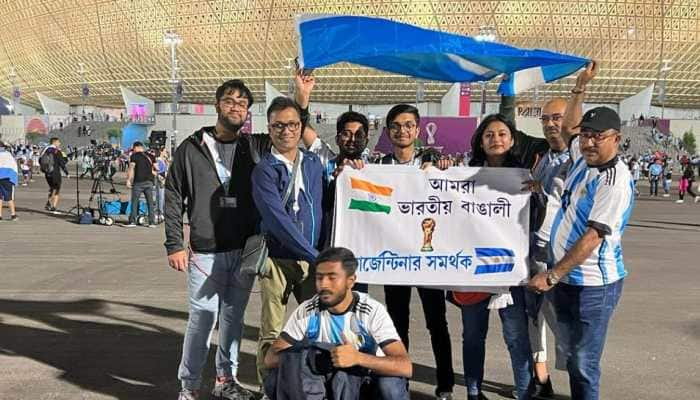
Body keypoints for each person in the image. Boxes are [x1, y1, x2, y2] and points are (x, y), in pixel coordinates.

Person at [530, 63, 634, 400]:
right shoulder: (583, 158)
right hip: (568, 281)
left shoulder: (613, 182)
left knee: (584, 362)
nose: (588, 141)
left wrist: (552, 275)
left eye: (598, 136)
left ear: (616, 139)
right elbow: (572, 125)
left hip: (593, 285)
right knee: (573, 357)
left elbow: (592, 238)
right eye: (586, 135)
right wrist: (579, 86)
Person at [165, 79, 267, 400]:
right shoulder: (191, 147)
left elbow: (292, 131)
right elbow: (172, 195)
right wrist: (174, 244)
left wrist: (300, 93)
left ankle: (226, 380)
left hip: (243, 250)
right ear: (217, 106)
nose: (235, 107)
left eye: (242, 103)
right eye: (229, 100)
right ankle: (189, 386)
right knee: (202, 320)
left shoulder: (253, 147)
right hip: (205, 252)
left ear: (248, 112)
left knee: (233, 320)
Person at [455, 113, 546, 400]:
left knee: (517, 336)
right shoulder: (463, 175)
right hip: (474, 271)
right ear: (480, 141)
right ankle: (473, 391)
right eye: (489, 134)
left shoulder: (523, 176)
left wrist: (537, 194)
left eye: (502, 134)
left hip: (512, 271)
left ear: (512, 139)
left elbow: (537, 219)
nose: (496, 139)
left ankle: (524, 392)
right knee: (472, 335)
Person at [376, 103, 454, 400]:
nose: (402, 130)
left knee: (437, 322)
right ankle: (400, 381)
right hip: (394, 258)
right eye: (396, 125)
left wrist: (445, 171)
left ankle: (445, 385)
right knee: (397, 323)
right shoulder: (379, 166)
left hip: (427, 258)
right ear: (388, 131)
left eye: (408, 125)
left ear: (418, 130)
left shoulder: (432, 161)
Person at [263, 247, 412, 400]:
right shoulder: (307, 310)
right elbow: (270, 358)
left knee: (390, 386)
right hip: (327, 382)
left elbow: (405, 366)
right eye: (319, 277)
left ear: (351, 281)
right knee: (274, 380)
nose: (324, 284)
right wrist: (312, 356)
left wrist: (357, 358)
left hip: (365, 383)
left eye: (332, 278)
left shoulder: (371, 310)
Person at [251, 96, 324, 386]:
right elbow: (277, 221)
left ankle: (315, 383)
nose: (286, 131)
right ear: (269, 129)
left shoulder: (314, 164)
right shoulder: (264, 170)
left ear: (300, 126)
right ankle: (268, 386)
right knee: (272, 329)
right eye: (278, 126)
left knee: (318, 326)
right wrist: (315, 255)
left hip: (312, 259)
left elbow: (327, 205)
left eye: (292, 124)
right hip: (278, 261)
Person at [124, 141, 157, 228]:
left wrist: (128, 180)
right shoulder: (151, 156)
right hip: (149, 182)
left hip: (138, 182)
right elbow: (157, 168)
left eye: (133, 149)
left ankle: (132, 221)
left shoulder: (134, 156)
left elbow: (131, 168)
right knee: (150, 202)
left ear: (136, 147)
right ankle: (152, 222)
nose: (133, 151)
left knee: (135, 202)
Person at [41, 137, 69, 213]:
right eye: (58, 142)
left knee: (52, 188)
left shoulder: (45, 150)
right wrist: (67, 173)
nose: (59, 144)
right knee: (57, 189)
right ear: (55, 142)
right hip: (55, 173)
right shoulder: (57, 151)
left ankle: (48, 203)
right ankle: (53, 207)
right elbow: (62, 163)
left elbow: (40, 160)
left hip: (47, 173)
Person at [0, 141, 19, 221]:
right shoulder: (8, 154)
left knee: (0, 197)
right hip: (7, 177)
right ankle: (13, 214)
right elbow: (14, 166)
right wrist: (15, 179)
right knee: (9, 197)